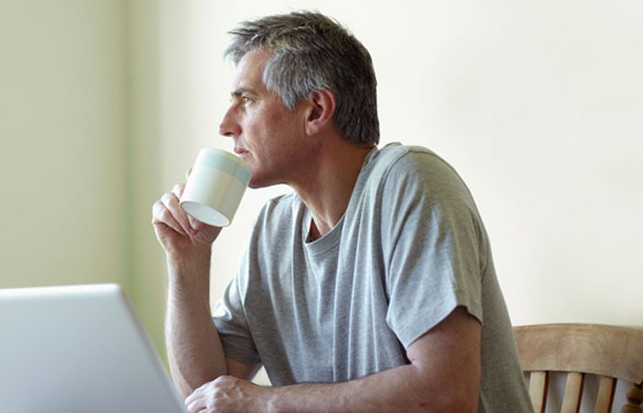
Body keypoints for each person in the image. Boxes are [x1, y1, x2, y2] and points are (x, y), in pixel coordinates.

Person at [152, 11, 533, 413]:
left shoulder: (411, 183)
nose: (225, 125)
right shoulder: (273, 229)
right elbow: (205, 396)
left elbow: (444, 394)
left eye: (246, 100)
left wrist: (265, 405)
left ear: (315, 110)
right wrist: (186, 261)